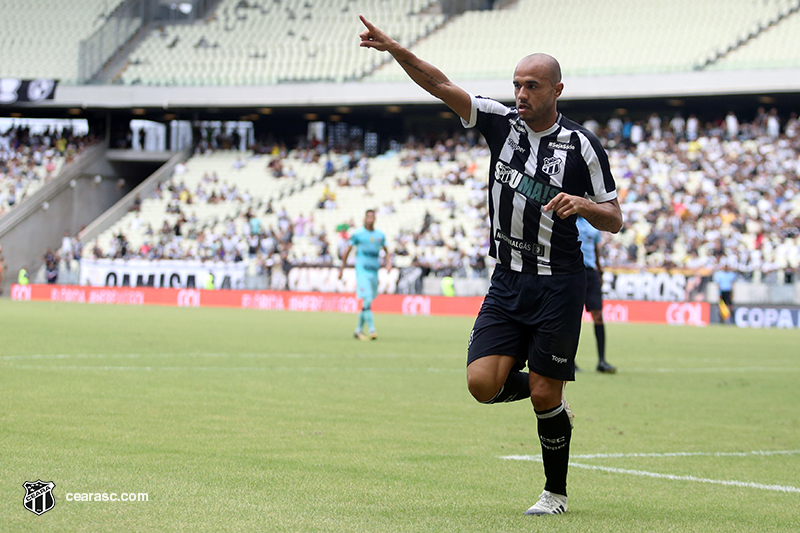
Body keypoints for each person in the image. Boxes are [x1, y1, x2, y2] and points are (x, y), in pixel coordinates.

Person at [358, 16, 622, 516]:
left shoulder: (583, 147)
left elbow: (614, 218)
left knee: (544, 391)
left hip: (559, 283)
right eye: (517, 84)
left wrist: (583, 206)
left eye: (532, 85)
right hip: (506, 279)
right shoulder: (500, 124)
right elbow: (439, 84)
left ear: (556, 90)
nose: (521, 93)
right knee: (482, 384)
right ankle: (552, 397)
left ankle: (554, 492)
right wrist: (394, 48)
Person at [338, 209, 390, 340]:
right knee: (366, 299)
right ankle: (372, 330)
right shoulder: (358, 234)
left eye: (373, 217)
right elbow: (347, 251)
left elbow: (387, 251)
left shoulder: (380, 235)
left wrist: (388, 264)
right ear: (364, 218)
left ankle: (358, 330)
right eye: (368, 217)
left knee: (367, 303)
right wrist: (342, 268)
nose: (370, 219)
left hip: (374, 271)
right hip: (362, 271)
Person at [576, 216, 616, 373]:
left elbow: (595, 248)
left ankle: (602, 361)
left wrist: (599, 271)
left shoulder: (592, 223)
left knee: (598, 315)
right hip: (573, 271)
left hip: (591, 273)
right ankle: (569, 361)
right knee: (572, 318)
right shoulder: (567, 218)